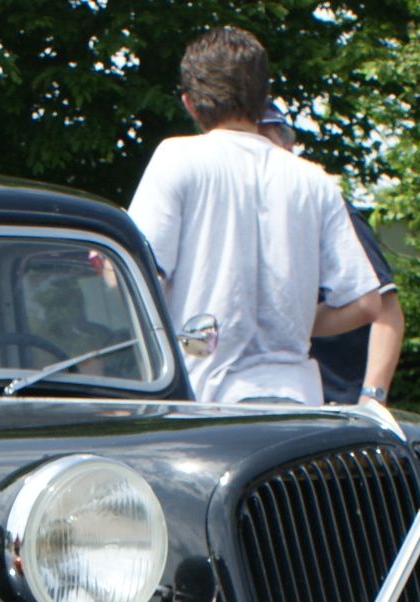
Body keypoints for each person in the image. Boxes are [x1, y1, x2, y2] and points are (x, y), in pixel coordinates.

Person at [127, 27, 382, 405]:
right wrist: (293, 323)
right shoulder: (314, 179)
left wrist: (108, 273)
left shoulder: (176, 158)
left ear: (190, 104)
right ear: (263, 97)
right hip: (297, 400)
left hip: (206, 401)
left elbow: (139, 278)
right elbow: (366, 303)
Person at [254, 101, 403, 410]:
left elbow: (385, 310)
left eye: (265, 139)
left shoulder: (327, 208)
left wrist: (371, 399)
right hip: (272, 396)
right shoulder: (243, 216)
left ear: (288, 145)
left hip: (336, 404)